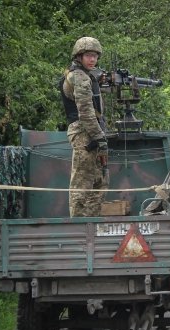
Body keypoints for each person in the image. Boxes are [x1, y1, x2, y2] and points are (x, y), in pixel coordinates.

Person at [60, 37, 108, 217]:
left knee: (99, 181)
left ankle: (90, 226)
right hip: (84, 133)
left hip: (92, 132)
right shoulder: (79, 77)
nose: (93, 59)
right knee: (82, 183)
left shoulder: (86, 76)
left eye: (95, 56)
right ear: (79, 56)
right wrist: (99, 137)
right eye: (88, 55)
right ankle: (79, 228)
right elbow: (86, 112)